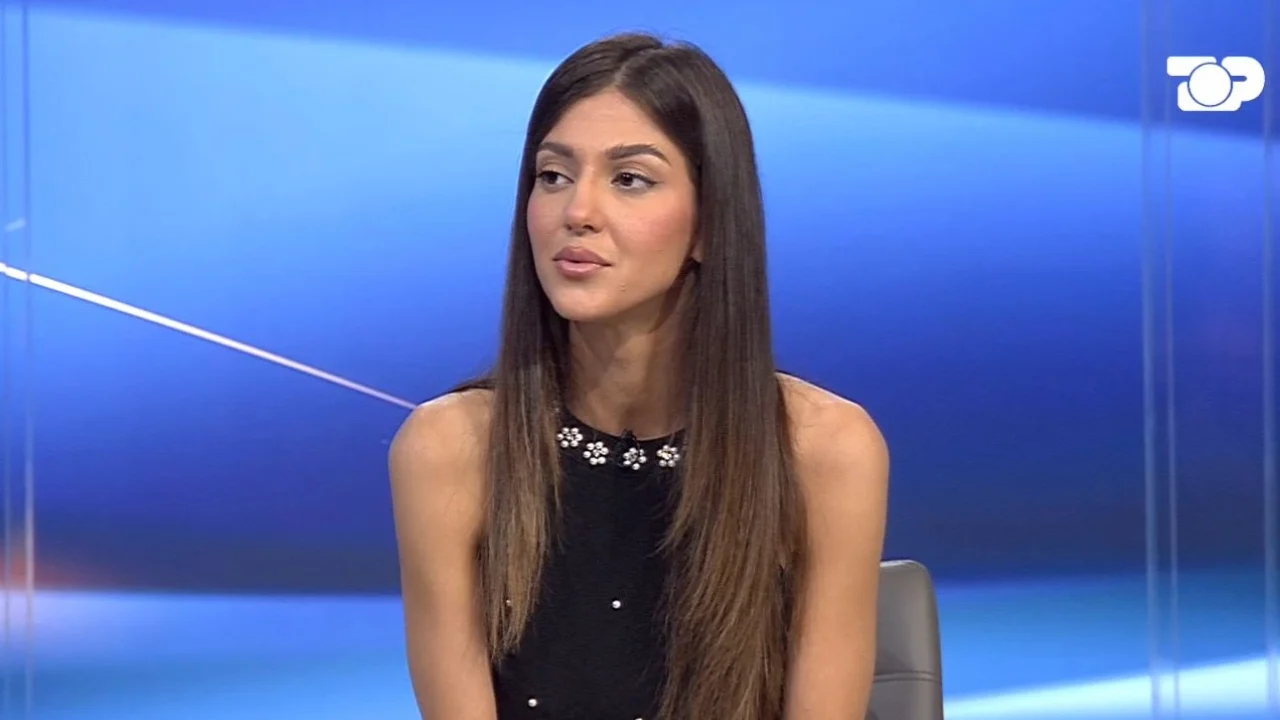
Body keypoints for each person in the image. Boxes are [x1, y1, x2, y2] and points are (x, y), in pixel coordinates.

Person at [389, 32, 889, 720]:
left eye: (629, 179)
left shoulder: (824, 450)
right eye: (554, 176)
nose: (578, 213)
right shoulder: (450, 450)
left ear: (709, 223)